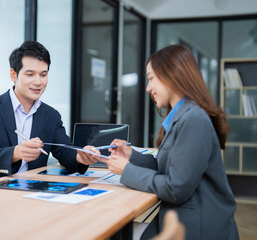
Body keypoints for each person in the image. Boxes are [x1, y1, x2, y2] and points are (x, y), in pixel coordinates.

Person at [79, 44, 239, 239]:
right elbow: (171, 167)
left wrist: (125, 169)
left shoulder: (193, 119)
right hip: (181, 216)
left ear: (172, 76)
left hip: (196, 226)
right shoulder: (182, 115)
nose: (148, 88)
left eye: (151, 78)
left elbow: (176, 188)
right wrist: (131, 156)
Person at [0, 40, 96, 183]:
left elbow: (64, 151)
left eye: (43, 75)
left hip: (33, 189)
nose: (38, 82)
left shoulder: (51, 116)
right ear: (13, 75)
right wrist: (16, 153)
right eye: (30, 74)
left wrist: (80, 157)